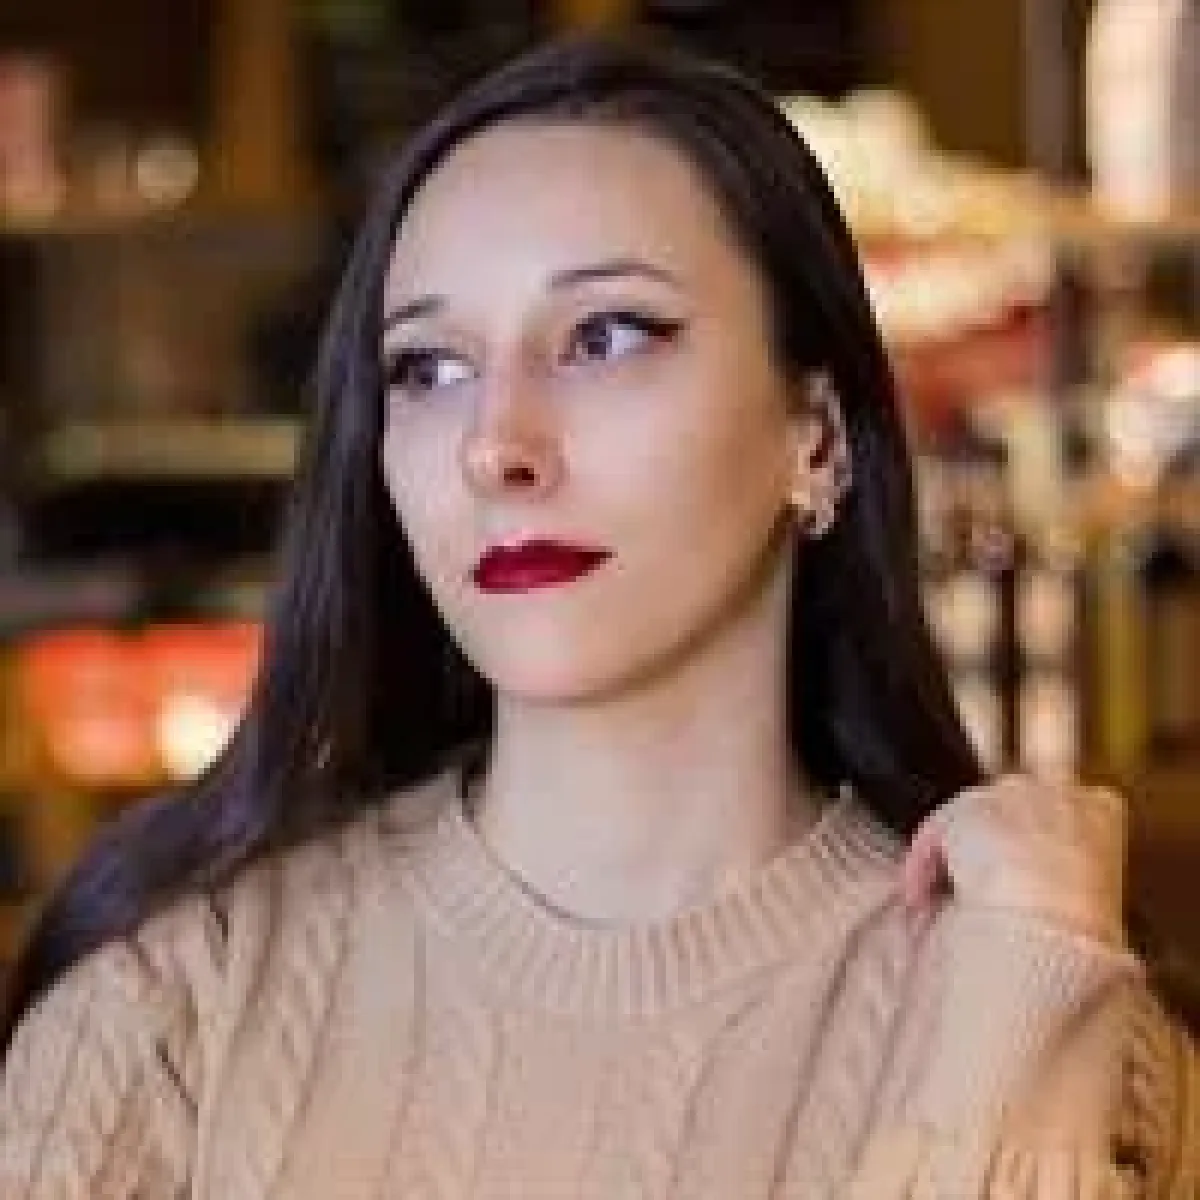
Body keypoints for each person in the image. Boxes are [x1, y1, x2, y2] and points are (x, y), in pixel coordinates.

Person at [1, 33, 1196, 1198]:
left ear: (817, 434)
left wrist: (1016, 1029)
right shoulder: (169, 1022)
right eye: (429, 368)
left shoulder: (1065, 1030)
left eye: (605, 337)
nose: (496, 447)